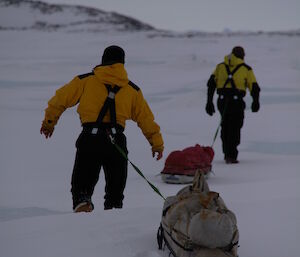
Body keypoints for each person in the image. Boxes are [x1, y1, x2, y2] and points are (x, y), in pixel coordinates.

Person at [40, 45, 164, 212]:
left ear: (103, 60)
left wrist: (49, 123)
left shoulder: (85, 80)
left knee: (81, 189)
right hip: (117, 143)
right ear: (122, 63)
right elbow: (146, 119)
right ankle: (112, 217)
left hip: (90, 139)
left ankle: (83, 204)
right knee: (115, 195)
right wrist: (156, 144)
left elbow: (59, 101)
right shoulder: (132, 90)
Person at [205, 46, 260, 164]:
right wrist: (256, 101)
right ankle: (231, 155)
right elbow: (254, 87)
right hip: (236, 102)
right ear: (242, 56)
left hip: (222, 101)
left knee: (225, 126)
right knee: (235, 127)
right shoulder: (246, 69)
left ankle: (227, 153)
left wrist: (209, 102)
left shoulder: (220, 66)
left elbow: (211, 84)